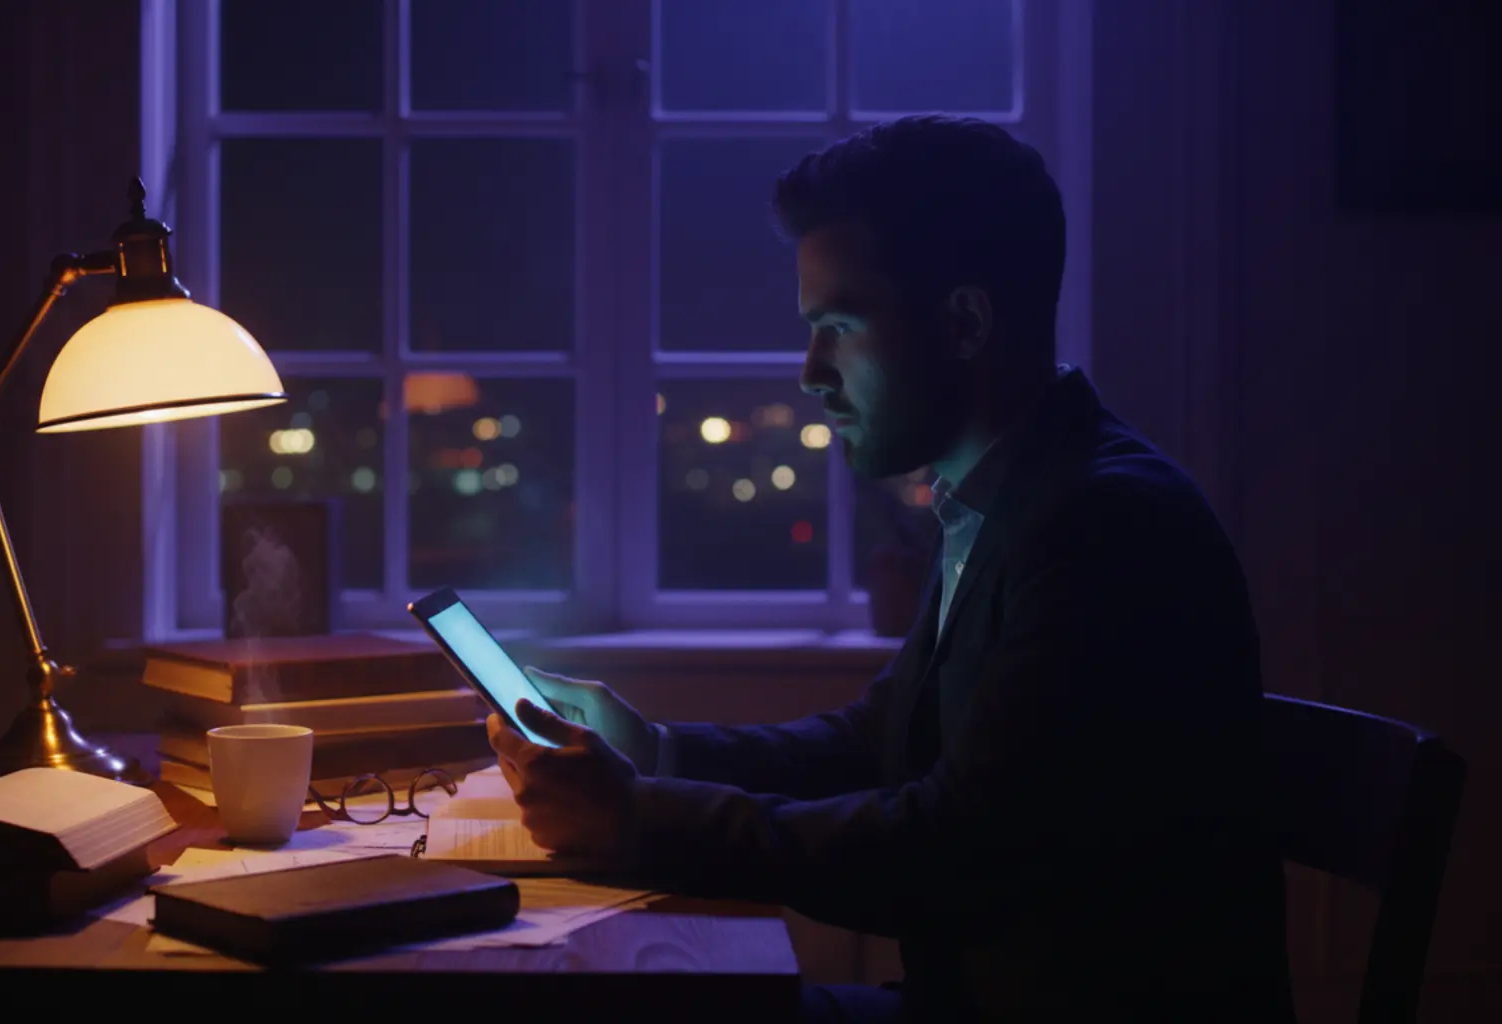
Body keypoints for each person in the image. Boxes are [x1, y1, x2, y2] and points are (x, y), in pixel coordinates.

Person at [486, 115, 1295, 1022]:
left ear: (965, 322)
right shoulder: (1013, 497)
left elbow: (955, 851)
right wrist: (658, 750)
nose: (811, 372)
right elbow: (882, 738)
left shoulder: (1105, 525)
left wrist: (639, 819)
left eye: (839, 325)